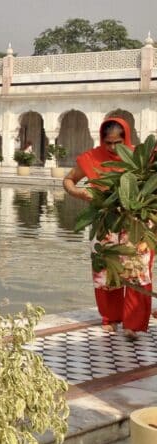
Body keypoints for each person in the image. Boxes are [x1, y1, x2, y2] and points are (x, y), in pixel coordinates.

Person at [63, 118, 151, 339]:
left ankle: (133, 323)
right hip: (105, 224)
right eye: (108, 142)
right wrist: (78, 193)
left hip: (135, 225)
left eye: (118, 142)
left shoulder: (140, 159)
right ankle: (110, 317)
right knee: (106, 271)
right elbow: (69, 180)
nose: (113, 147)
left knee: (136, 272)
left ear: (127, 138)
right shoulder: (92, 158)